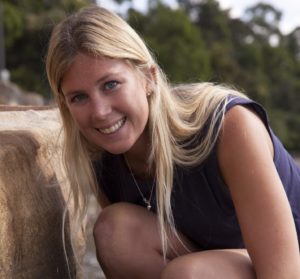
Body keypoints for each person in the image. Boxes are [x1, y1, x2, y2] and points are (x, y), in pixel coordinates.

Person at [46, 5, 300, 279]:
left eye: (110, 85)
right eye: (79, 97)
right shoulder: (99, 154)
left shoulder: (229, 126)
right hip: (217, 266)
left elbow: (283, 272)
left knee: (187, 274)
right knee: (114, 233)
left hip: (286, 262)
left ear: (148, 78)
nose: (99, 112)